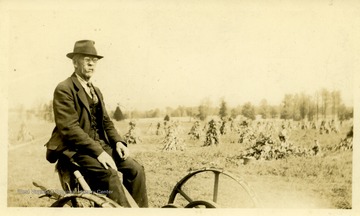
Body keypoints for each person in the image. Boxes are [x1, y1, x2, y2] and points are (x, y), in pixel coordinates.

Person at [45, 40, 148, 207]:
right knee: (110, 175)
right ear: (75, 62)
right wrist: (99, 152)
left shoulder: (96, 90)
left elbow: (106, 121)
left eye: (94, 60)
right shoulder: (64, 88)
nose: (92, 63)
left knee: (136, 170)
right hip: (76, 149)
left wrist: (118, 142)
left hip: (100, 146)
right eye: (87, 59)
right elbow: (69, 128)